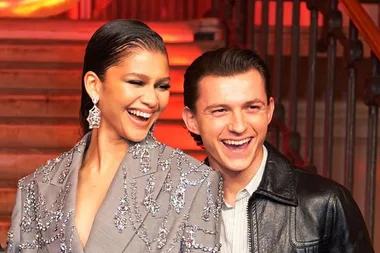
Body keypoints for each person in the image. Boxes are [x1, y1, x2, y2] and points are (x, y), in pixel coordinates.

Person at [6, 20, 223, 253]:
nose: (152, 99)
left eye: (162, 86)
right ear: (94, 85)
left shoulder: (193, 181)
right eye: (136, 82)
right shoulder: (36, 187)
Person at [182, 48, 374, 253]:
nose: (238, 126)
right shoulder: (169, 209)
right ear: (192, 121)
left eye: (252, 108)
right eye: (220, 110)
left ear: (269, 111)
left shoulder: (326, 204)